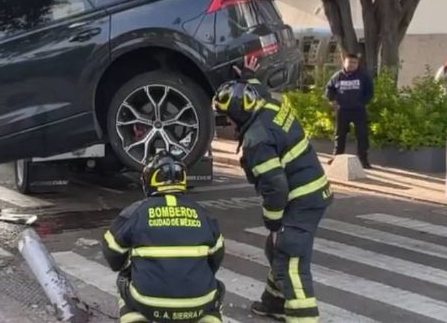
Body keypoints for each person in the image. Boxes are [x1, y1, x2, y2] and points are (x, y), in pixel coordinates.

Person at [213, 56, 331, 322]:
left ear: (239, 115)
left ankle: (304, 318)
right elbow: (257, 88)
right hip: (312, 190)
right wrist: (247, 75)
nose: (227, 124)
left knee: (289, 257)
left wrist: (274, 222)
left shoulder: (257, 141)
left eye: (227, 118)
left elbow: (276, 187)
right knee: (275, 248)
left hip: (301, 199)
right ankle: (274, 303)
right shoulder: (267, 104)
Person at [102, 152, 225, 323]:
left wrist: (127, 265)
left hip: (148, 304)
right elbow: (216, 258)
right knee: (218, 290)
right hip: (198, 305)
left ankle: (134, 319)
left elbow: (112, 251)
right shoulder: (204, 214)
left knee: (123, 278)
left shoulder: (135, 212)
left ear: (149, 181)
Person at [325, 54, 374, 169]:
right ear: (344, 63)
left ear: (357, 64)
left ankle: (363, 159)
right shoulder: (338, 76)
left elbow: (370, 92)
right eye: (349, 62)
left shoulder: (363, 76)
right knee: (339, 135)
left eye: (354, 62)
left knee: (362, 135)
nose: (351, 65)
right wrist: (333, 101)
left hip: (358, 110)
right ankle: (337, 158)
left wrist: (362, 102)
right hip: (342, 110)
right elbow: (329, 89)